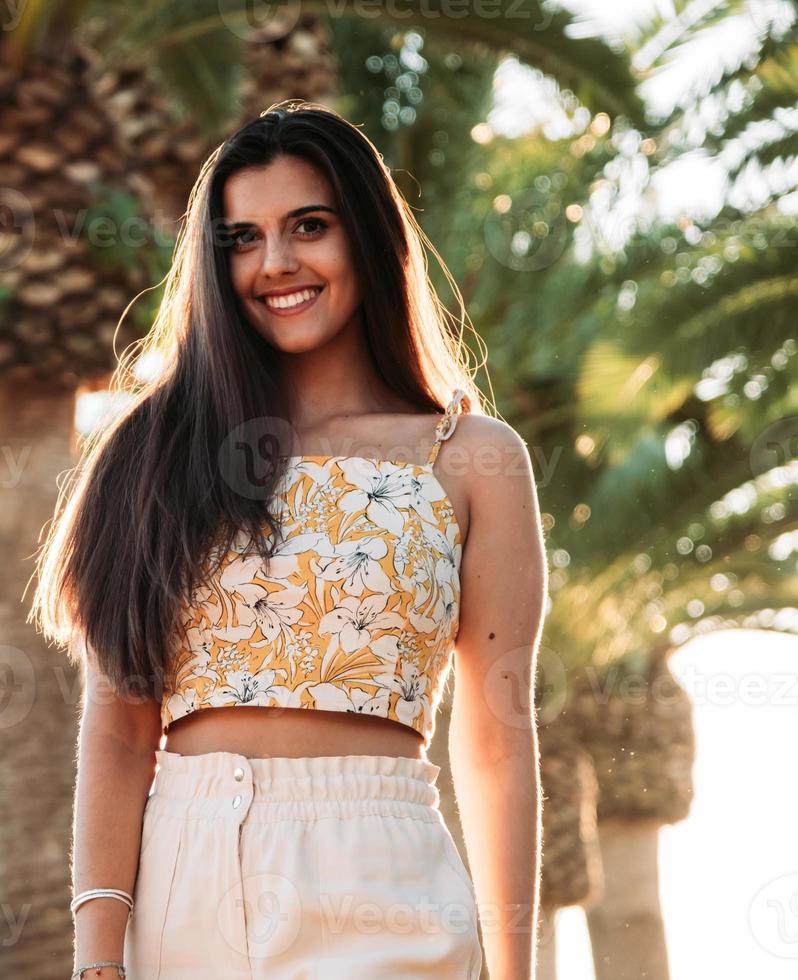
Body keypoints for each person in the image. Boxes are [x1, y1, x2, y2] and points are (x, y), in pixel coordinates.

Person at [30, 101, 546, 980]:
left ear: (371, 238)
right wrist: (96, 960)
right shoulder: (153, 450)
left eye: (309, 226)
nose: (277, 263)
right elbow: (119, 727)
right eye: (242, 238)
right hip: (191, 867)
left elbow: (496, 740)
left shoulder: (475, 458)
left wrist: (518, 971)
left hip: (388, 865)